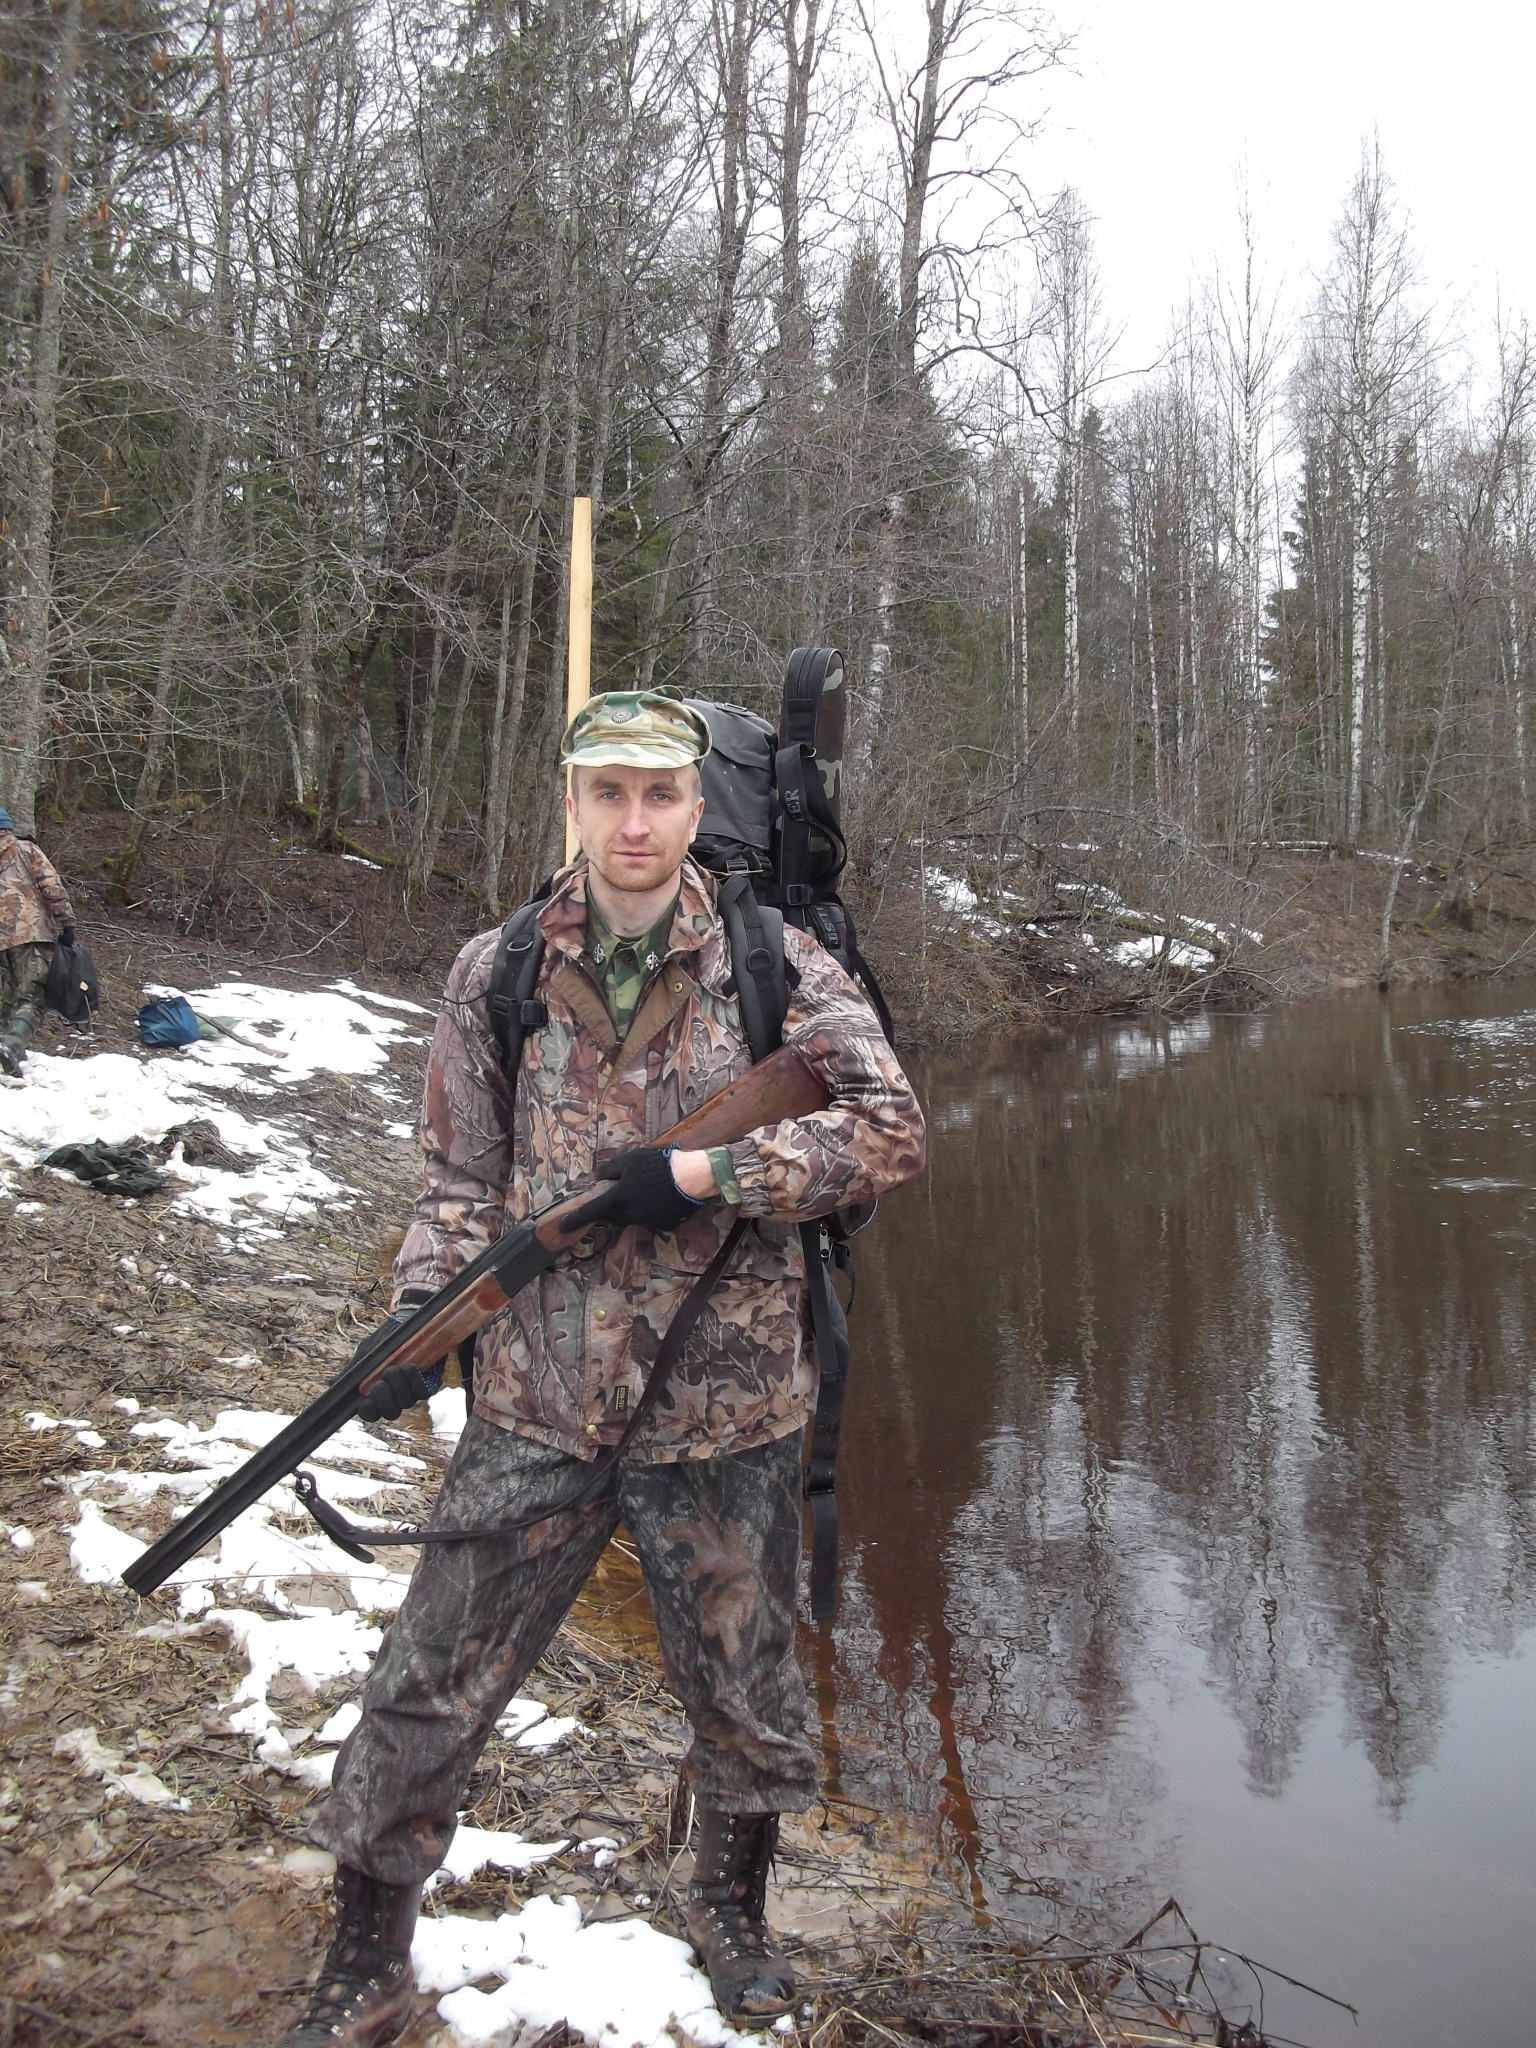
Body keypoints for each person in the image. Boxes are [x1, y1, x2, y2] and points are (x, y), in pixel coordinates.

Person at [280, 688, 926, 2047]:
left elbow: (890, 1132)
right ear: (571, 803)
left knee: (744, 1681)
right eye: (608, 793)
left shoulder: (779, 964)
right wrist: (419, 1323)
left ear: (694, 807)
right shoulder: (497, 970)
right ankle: (367, 1950)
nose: (634, 822)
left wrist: (704, 1173)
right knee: (426, 1680)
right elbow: (458, 1183)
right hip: (538, 1399)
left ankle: (732, 1909)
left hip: (726, 1405)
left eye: (661, 794)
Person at [0, 807, 77, 1078]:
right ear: (8, 827)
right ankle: (10, 1046)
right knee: (32, 998)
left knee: (4, 998)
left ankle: (8, 1051)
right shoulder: (26, 850)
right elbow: (51, 887)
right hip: (29, 932)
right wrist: (67, 922)